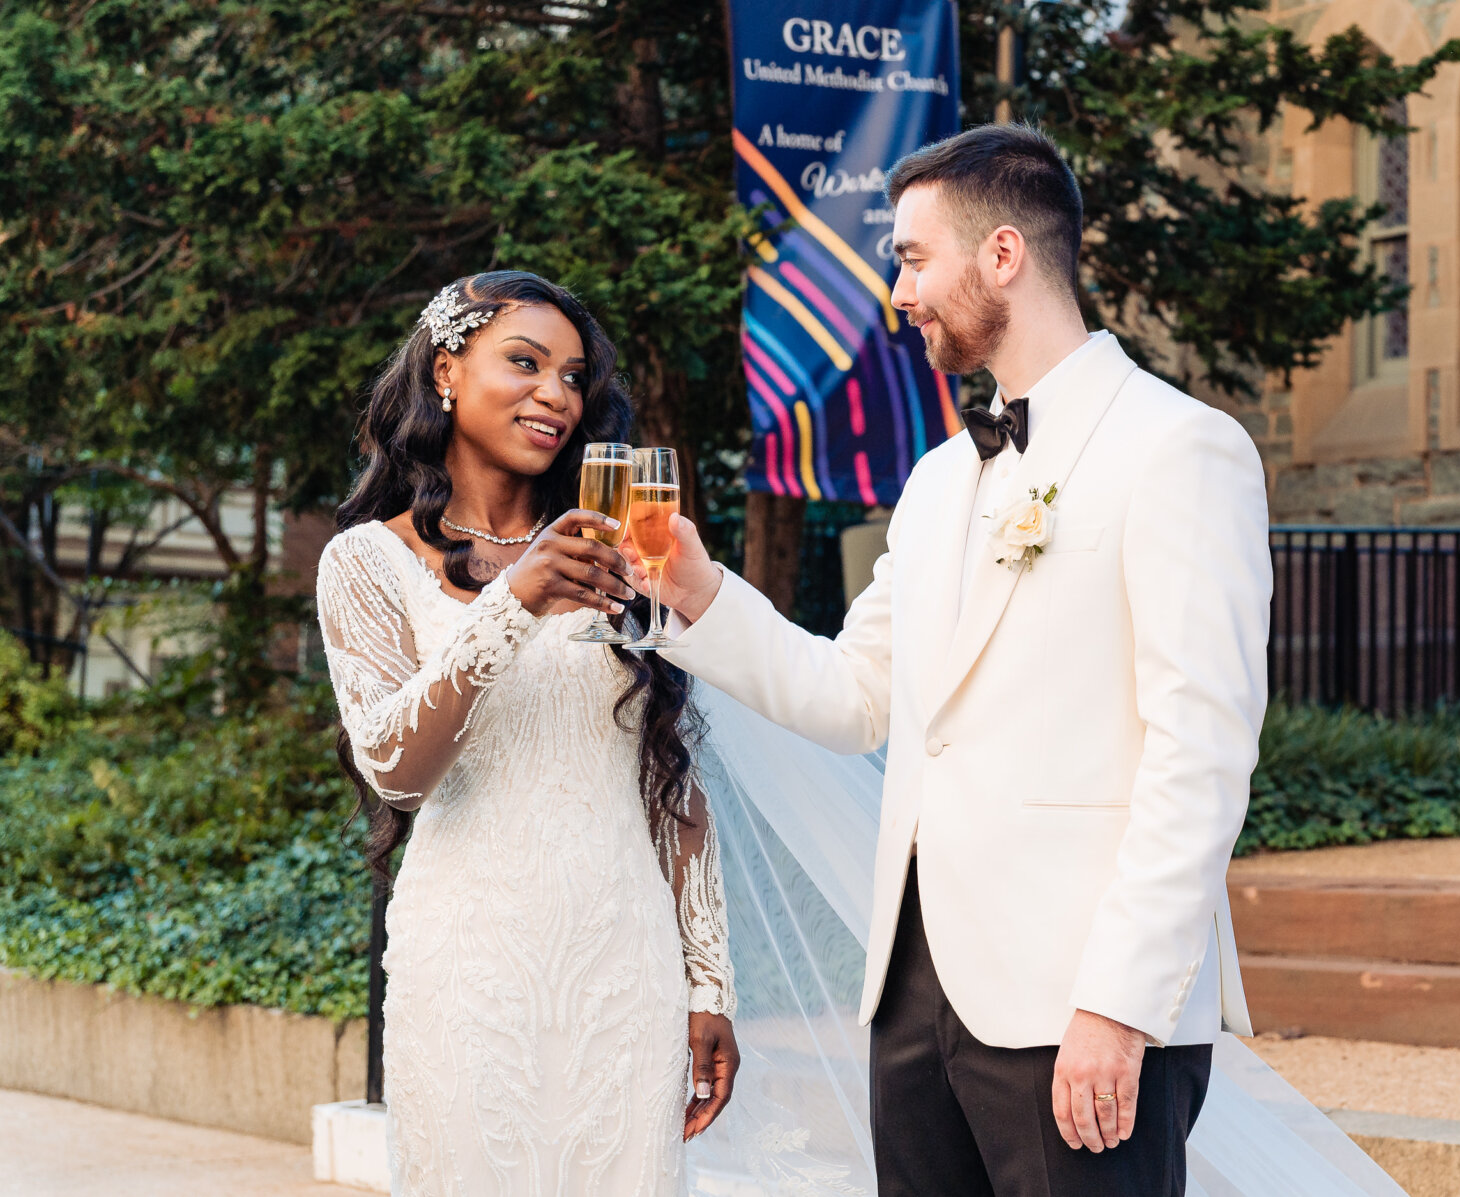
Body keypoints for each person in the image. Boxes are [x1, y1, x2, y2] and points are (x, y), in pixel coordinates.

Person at [648, 123, 1272, 1197]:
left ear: (1003, 256)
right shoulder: (938, 480)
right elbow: (853, 694)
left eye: (911, 256)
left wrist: (1118, 1004)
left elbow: (1200, 751)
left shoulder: (1180, 449)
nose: (898, 290)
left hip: (1079, 998)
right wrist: (697, 591)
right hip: (914, 998)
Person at [315, 271, 739, 1196]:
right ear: (445, 372)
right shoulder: (365, 562)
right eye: (526, 362)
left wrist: (708, 982)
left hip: (624, 971)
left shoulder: (625, 548)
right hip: (468, 972)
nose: (557, 393)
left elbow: (674, 776)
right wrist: (514, 601)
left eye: (575, 376)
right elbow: (394, 769)